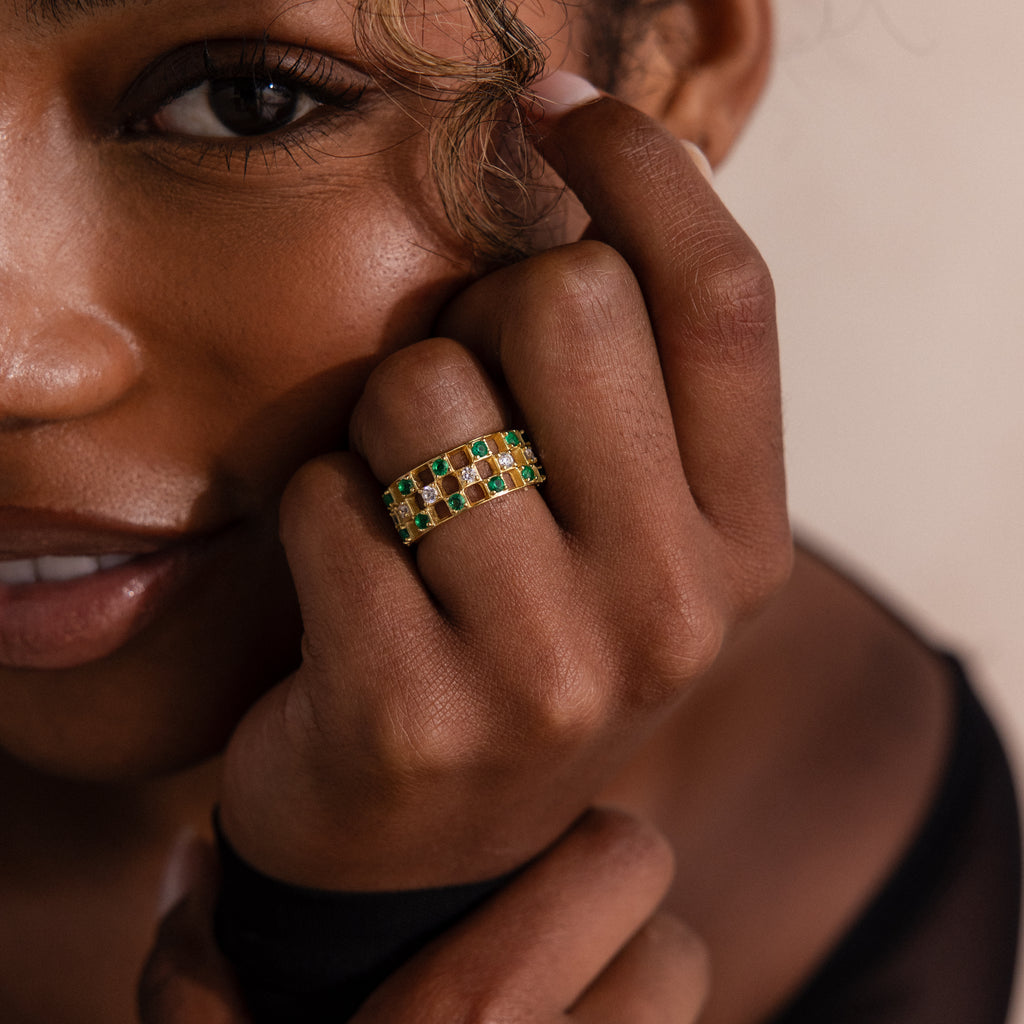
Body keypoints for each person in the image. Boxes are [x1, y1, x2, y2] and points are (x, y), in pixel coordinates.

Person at [0, 0, 1018, 1021]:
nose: (15, 368)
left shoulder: (844, 808)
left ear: (674, 60)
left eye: (246, 100)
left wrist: (356, 940)